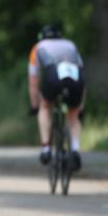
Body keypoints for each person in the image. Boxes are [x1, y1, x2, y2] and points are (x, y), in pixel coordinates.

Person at [28, 24, 86, 171]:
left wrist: (35, 105)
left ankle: (46, 148)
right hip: (75, 77)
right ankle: (75, 149)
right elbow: (82, 74)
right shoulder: (71, 45)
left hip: (53, 75)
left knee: (45, 107)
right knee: (73, 115)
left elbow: (33, 82)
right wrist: (80, 106)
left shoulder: (38, 47)